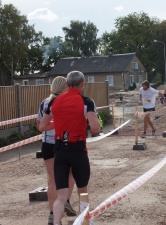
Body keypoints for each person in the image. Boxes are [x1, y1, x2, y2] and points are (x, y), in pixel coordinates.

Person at [39, 71, 101, 225]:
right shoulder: (87, 102)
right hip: (78, 151)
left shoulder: (54, 102)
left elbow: (42, 126)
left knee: (61, 196)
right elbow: (95, 128)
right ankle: (86, 221)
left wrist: (60, 124)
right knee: (83, 191)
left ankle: (56, 221)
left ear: (66, 85)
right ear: (83, 84)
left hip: (59, 151)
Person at [36, 76, 77, 225]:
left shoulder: (44, 103)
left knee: (53, 181)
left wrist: (51, 124)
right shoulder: (69, 101)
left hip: (48, 143)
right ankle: (65, 200)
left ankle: (53, 214)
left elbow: (39, 126)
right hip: (65, 143)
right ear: (66, 86)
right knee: (71, 175)